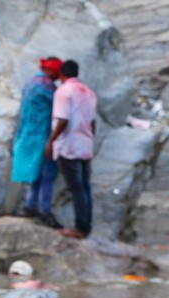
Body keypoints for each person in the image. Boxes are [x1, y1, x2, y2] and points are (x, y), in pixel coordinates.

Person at [46, 59, 96, 240]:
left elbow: (63, 120)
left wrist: (50, 141)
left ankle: (80, 228)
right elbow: (92, 123)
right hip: (85, 144)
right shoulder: (89, 92)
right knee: (85, 187)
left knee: (76, 188)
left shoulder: (64, 91)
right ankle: (86, 225)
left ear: (61, 74)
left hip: (69, 145)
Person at [12, 57, 61, 228]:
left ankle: (30, 205)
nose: (57, 76)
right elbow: (59, 106)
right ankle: (44, 210)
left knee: (36, 174)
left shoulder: (30, 82)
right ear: (50, 71)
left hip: (28, 133)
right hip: (43, 134)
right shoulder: (47, 86)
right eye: (56, 73)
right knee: (47, 174)